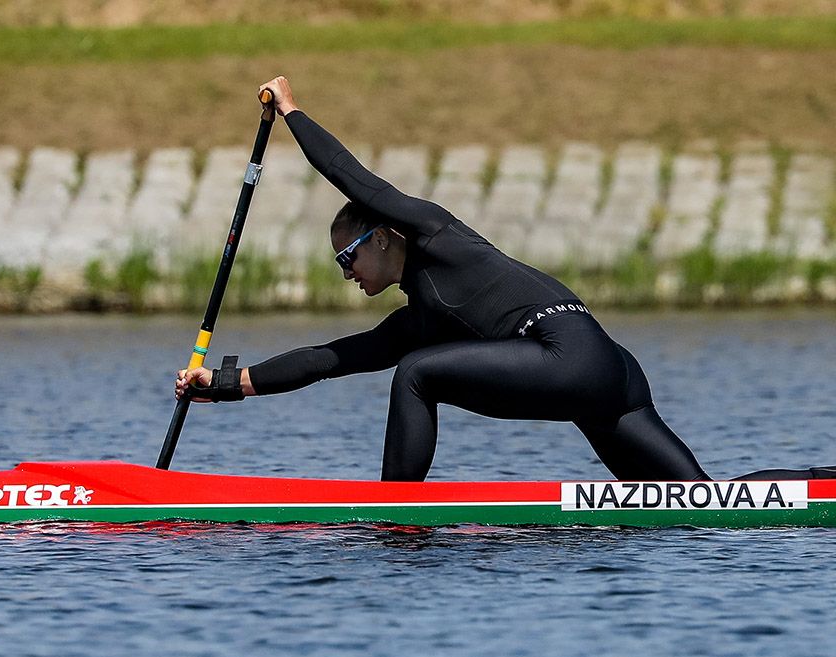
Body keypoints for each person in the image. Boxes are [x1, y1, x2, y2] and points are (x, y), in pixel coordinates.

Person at [175, 76, 831, 483]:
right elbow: (329, 358)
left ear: (384, 236)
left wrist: (290, 110)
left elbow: (358, 181)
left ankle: (399, 516)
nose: (346, 273)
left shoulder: (434, 233)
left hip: (569, 359)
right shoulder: (420, 318)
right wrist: (226, 385)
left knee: (418, 374)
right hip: (608, 371)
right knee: (704, 504)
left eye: (348, 257)